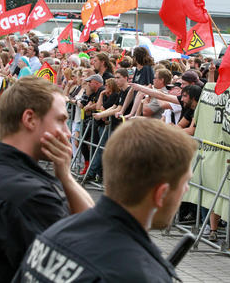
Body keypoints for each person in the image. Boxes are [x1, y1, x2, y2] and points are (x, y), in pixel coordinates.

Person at [0, 76, 94, 283]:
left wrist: (65, 177)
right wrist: (66, 179)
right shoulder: (32, 196)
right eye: (61, 120)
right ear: (30, 119)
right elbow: (93, 242)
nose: (67, 132)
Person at [13, 118, 197, 282]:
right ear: (161, 194)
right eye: (185, 182)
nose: (186, 189)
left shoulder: (55, 232)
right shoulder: (137, 274)